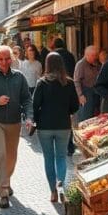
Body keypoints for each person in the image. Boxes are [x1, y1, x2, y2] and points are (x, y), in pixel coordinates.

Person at [0, 46, 33, 208]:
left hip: (14, 122)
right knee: (0, 154)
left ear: (11, 59)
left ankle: (6, 181)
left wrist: (29, 116)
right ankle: (3, 192)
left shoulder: (19, 77)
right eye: (0, 59)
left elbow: (27, 99)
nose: (4, 62)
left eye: (7, 58)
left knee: (11, 157)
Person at [33, 52, 79, 202]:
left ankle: (52, 191)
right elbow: (75, 106)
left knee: (48, 158)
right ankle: (62, 183)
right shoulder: (69, 83)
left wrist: (37, 119)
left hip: (44, 127)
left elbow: (35, 105)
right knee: (61, 156)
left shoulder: (42, 83)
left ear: (47, 64)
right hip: (63, 126)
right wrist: (67, 112)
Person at [74, 46, 102, 121]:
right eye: (93, 55)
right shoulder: (80, 64)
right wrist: (80, 95)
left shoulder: (96, 63)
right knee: (86, 116)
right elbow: (76, 81)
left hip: (95, 91)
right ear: (86, 55)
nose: (95, 57)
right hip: (85, 92)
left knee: (95, 115)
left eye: (96, 55)